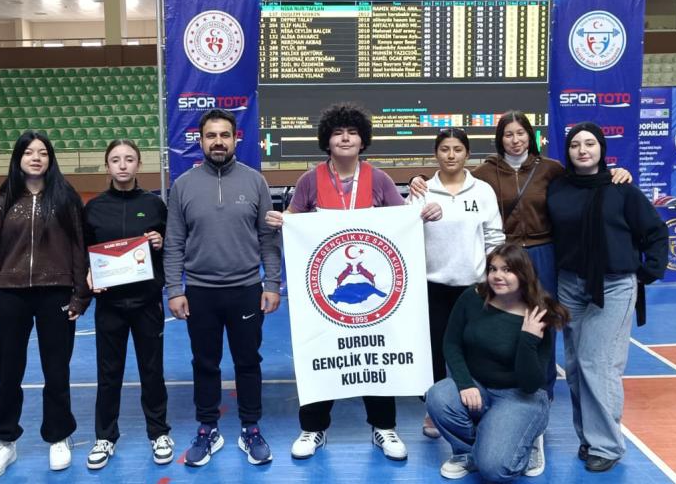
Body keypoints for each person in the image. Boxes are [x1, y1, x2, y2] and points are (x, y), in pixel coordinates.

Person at [411, 112, 632, 401]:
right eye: (508, 134)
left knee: (542, 317)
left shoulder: (551, 169)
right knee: (502, 320)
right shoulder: (485, 174)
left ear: (530, 135)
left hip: (543, 253)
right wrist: (418, 180)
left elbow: (583, 179)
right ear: (499, 139)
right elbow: (453, 181)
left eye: (520, 133)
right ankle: (491, 385)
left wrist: (614, 173)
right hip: (506, 257)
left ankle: (542, 387)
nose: (515, 140)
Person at [265, 102, 441, 461]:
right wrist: (282, 220)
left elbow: (403, 220)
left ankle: (384, 427)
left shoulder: (379, 179)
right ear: (326, 141)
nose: (345, 138)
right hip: (326, 292)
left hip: (374, 298)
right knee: (322, 353)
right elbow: (293, 219)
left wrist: (425, 214)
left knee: (376, 356)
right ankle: (313, 429)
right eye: (337, 133)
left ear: (363, 140)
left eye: (352, 133)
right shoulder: (309, 180)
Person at [547, 122, 668, 472]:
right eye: (575, 145)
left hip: (613, 285)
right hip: (571, 284)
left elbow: (656, 232)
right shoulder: (558, 188)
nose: (582, 150)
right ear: (567, 151)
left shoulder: (622, 188)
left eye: (589, 143)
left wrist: (646, 272)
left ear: (601, 148)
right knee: (574, 366)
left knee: (597, 362)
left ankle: (607, 445)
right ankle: (589, 438)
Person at [165, 109, 281, 467]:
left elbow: (268, 239)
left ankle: (251, 428)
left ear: (235, 139)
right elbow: (174, 242)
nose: (218, 141)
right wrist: (175, 289)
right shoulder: (183, 185)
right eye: (211, 135)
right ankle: (208, 428)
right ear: (200, 141)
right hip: (200, 292)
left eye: (224, 135)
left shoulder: (255, 182)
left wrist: (272, 283)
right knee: (204, 362)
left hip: (246, 289)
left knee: (248, 361)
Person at [0, 131, 91, 479]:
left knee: (56, 369)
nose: (36, 158)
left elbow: (79, 248)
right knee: (8, 370)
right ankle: (5, 440)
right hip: (11, 295)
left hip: (56, 294)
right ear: (19, 159)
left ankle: (59, 436)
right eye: (29, 152)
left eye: (42, 152)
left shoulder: (66, 198)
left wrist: (80, 296)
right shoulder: (5, 200)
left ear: (51, 159)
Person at [425, 243, 569, 481]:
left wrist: (528, 339)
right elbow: (451, 343)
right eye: (493, 269)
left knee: (494, 470)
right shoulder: (472, 297)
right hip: (479, 386)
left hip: (520, 396)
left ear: (523, 274)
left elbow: (531, 384)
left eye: (507, 270)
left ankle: (528, 438)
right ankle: (467, 453)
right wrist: (465, 384)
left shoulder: (539, 314)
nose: (497, 276)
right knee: (438, 396)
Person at [408, 127, 505, 439]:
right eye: (445, 149)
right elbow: (405, 234)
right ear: (436, 153)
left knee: (474, 349)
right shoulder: (421, 190)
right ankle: (434, 410)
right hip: (432, 286)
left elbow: (494, 237)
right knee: (435, 351)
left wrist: (492, 279)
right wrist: (418, 216)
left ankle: (476, 407)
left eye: (457, 149)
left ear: (467, 154)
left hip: (473, 287)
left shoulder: (482, 191)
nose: (451, 155)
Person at [82, 139, 173, 469]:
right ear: (107, 165)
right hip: (110, 305)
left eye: (129, 159)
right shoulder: (93, 208)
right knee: (108, 373)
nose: (123, 165)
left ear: (139, 165)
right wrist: (88, 274)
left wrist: (160, 241)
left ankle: (159, 433)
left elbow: (170, 247)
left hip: (147, 302)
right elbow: (83, 252)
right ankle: (105, 437)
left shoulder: (154, 205)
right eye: (116, 159)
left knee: (152, 370)